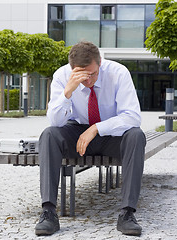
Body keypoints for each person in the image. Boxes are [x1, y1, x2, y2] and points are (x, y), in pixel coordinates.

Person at [34, 41, 146, 236]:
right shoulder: (61, 76)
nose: (88, 81)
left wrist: (97, 128)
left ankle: (127, 213)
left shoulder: (119, 73)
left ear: (100, 63)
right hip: (76, 134)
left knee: (136, 136)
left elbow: (133, 117)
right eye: (82, 76)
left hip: (111, 134)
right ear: (72, 69)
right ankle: (48, 212)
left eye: (92, 74)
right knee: (49, 135)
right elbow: (55, 121)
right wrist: (68, 92)